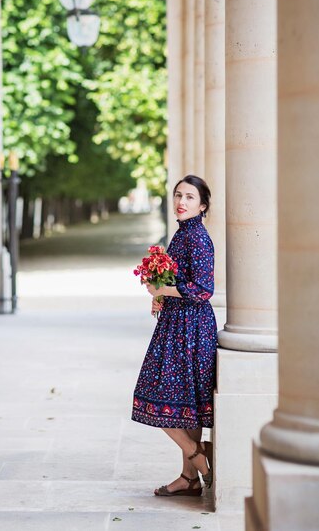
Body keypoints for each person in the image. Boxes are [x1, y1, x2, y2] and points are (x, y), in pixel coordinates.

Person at [131, 174, 217, 497]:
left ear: (203, 205)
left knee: (155, 397)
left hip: (191, 330)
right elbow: (179, 277)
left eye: (190, 197)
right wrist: (161, 295)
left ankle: (198, 458)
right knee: (184, 405)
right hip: (177, 324)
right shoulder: (182, 235)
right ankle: (189, 477)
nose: (181, 202)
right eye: (178, 195)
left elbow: (204, 290)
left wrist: (162, 288)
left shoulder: (197, 238)